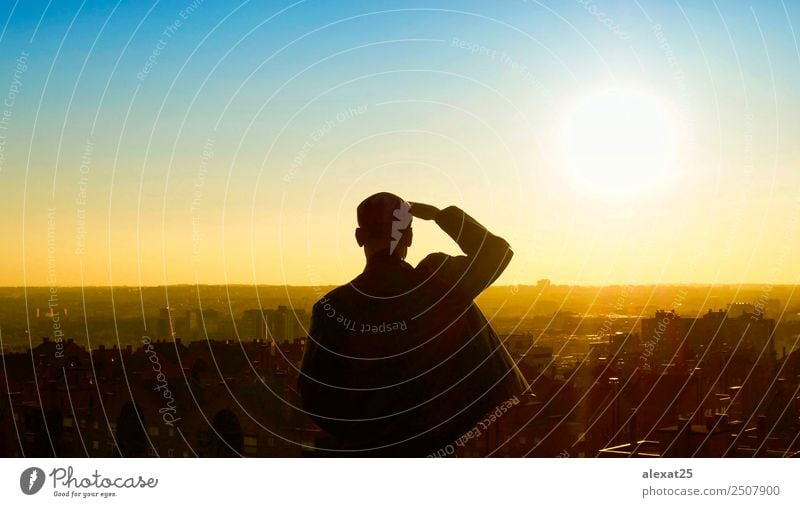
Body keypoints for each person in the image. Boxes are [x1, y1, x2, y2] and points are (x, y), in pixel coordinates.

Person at [299, 192, 528, 456]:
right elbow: (496, 252)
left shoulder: (333, 308)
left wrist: (362, 435)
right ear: (409, 237)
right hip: (446, 443)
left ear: (359, 237)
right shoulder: (439, 284)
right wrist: (441, 216)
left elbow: (315, 394)